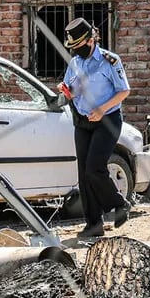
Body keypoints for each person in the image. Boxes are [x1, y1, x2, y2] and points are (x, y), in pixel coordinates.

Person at [58, 17, 132, 237]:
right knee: (84, 175)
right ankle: (93, 224)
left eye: (79, 45)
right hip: (82, 121)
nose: (75, 50)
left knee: (95, 168)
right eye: (72, 46)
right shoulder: (75, 63)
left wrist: (101, 109)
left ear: (91, 40)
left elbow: (124, 91)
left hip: (107, 120)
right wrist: (67, 91)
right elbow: (72, 88)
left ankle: (120, 204)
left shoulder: (110, 61)